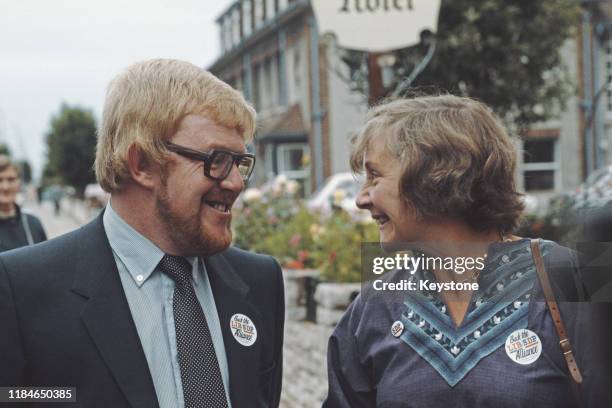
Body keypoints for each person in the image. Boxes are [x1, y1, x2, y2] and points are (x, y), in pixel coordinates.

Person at [0, 59, 284, 408]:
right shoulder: (20, 288)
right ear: (142, 164)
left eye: (241, 163)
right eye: (217, 160)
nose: (237, 182)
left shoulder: (260, 282)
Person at [324, 95, 608, 407]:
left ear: (434, 178)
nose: (361, 199)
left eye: (374, 176)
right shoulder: (376, 303)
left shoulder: (583, 279)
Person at [0, 155, 46, 251]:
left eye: (11, 179)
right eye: (0, 180)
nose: (5, 187)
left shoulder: (33, 224)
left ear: (19, 182)